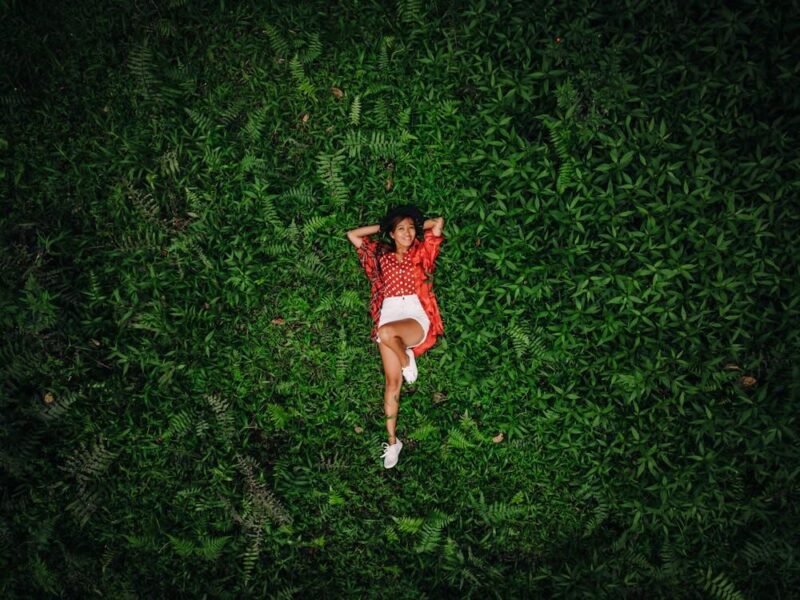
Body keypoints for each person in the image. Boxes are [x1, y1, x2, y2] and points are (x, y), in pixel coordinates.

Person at [347, 205, 446, 468]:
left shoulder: (420, 252)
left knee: (385, 333)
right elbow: (354, 236)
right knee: (392, 385)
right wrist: (387, 226)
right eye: (401, 229)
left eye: (411, 228)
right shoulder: (380, 255)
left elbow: (437, 223)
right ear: (391, 234)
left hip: (414, 314)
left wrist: (414, 223)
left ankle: (406, 358)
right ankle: (392, 442)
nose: (408, 233)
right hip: (389, 312)